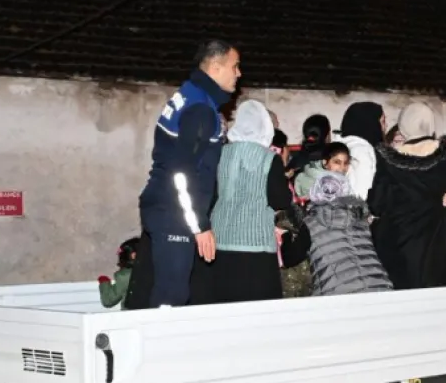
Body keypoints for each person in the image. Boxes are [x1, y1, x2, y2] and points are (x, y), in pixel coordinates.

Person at [129, 40, 240, 309]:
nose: (239, 74)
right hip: (173, 211)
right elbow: (181, 173)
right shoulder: (200, 109)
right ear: (215, 67)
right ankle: (159, 349)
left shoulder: (191, 95)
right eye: (235, 66)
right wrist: (199, 225)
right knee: (171, 296)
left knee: (169, 289)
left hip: (167, 207)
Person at [369, 102, 446, 290]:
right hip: (436, 249)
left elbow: (376, 204)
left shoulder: (387, 161)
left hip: (399, 248)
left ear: (403, 126)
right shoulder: (444, 154)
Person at [191, 100, 295, 305]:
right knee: (257, 314)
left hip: (220, 242)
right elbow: (280, 200)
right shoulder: (269, 158)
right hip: (255, 246)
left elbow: (208, 195)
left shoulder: (220, 154)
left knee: (226, 310)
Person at [303, 171, 394, 296]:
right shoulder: (361, 218)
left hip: (335, 293)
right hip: (378, 286)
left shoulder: (308, 224)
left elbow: (291, 258)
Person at [332, 102, 386, 201]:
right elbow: (363, 195)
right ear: (370, 123)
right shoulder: (362, 152)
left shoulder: (342, 147)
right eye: (382, 122)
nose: (385, 127)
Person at [97, 237, 139, 308]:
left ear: (133, 256)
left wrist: (104, 283)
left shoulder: (126, 276)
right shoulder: (154, 271)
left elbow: (108, 300)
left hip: (131, 316)